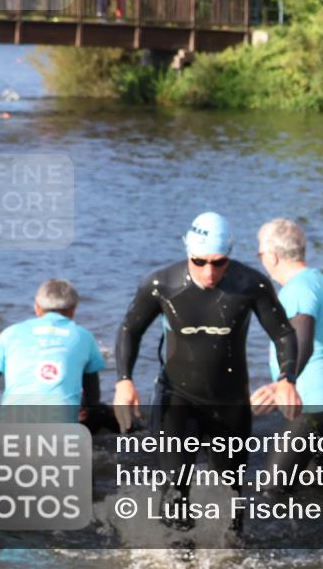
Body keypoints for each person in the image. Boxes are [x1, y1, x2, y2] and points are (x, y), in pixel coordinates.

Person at [113, 212, 302, 530]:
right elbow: (130, 329)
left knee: (231, 499)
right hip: (177, 399)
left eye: (219, 262)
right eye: (199, 262)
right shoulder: (161, 284)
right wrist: (124, 381)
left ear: (230, 255)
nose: (209, 272)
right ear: (188, 251)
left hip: (229, 404)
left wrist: (286, 379)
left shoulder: (250, 284)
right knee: (174, 491)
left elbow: (284, 333)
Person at [250, 219, 323, 484]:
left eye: (260, 253)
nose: (262, 259)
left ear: (272, 256)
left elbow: (303, 341)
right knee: (319, 489)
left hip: (311, 403)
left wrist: (284, 383)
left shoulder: (298, 289)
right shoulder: (320, 280)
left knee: (272, 489)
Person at [0, 279, 105, 425]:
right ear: (73, 309)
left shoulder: (10, 333)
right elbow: (93, 397)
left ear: (37, 308)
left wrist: (0, 419)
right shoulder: (83, 336)